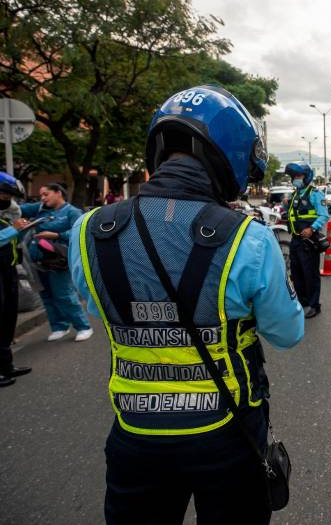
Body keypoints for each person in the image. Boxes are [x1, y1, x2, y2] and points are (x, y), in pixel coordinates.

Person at [69, 84, 304, 525]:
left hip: (135, 436)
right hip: (227, 432)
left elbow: (104, 312)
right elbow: (288, 334)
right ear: (232, 154)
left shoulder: (86, 232)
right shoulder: (247, 238)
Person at [19, 184, 92, 342]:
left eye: (46, 194)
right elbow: (19, 209)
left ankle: (83, 326)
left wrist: (56, 234)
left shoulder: (72, 212)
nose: (43, 198)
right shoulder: (40, 208)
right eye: (41, 196)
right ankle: (59, 326)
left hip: (59, 260)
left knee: (64, 294)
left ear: (59, 193)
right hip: (38, 260)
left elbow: (79, 232)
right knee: (46, 295)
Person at [0, 173, 33, 387]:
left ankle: (6, 365)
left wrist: (21, 229)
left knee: (7, 318)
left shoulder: (4, 216)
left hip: (7, 271)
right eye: (4, 194)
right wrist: (14, 229)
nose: (6, 199)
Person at [284, 161, 328, 319]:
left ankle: (314, 305)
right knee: (296, 274)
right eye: (293, 176)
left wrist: (312, 228)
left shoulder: (315, 193)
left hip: (309, 241)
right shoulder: (295, 194)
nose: (295, 179)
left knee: (310, 274)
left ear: (307, 176)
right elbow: (291, 214)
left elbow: (324, 215)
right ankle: (302, 303)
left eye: (298, 176)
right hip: (295, 240)